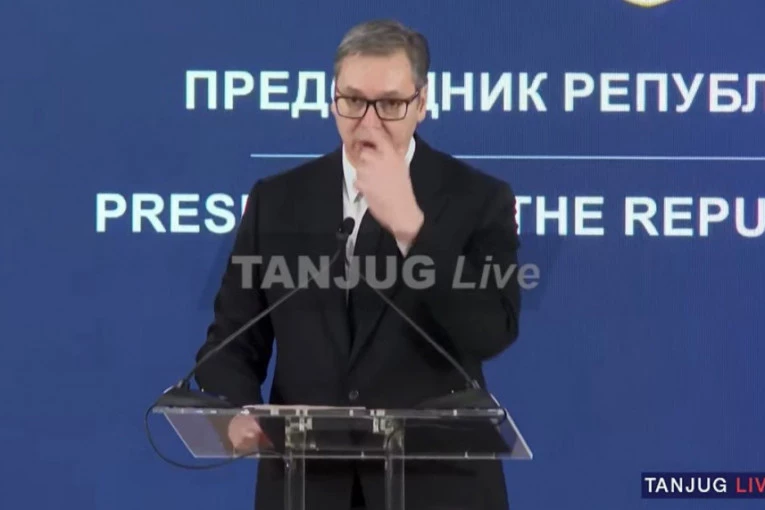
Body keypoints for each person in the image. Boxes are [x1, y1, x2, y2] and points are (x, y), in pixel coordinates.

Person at [194, 19, 521, 510]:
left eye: (389, 104)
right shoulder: (277, 201)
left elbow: (491, 331)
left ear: (422, 103)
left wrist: (412, 228)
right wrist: (240, 408)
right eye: (352, 101)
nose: (368, 122)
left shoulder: (478, 199)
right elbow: (230, 343)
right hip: (307, 488)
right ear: (333, 100)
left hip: (436, 488)